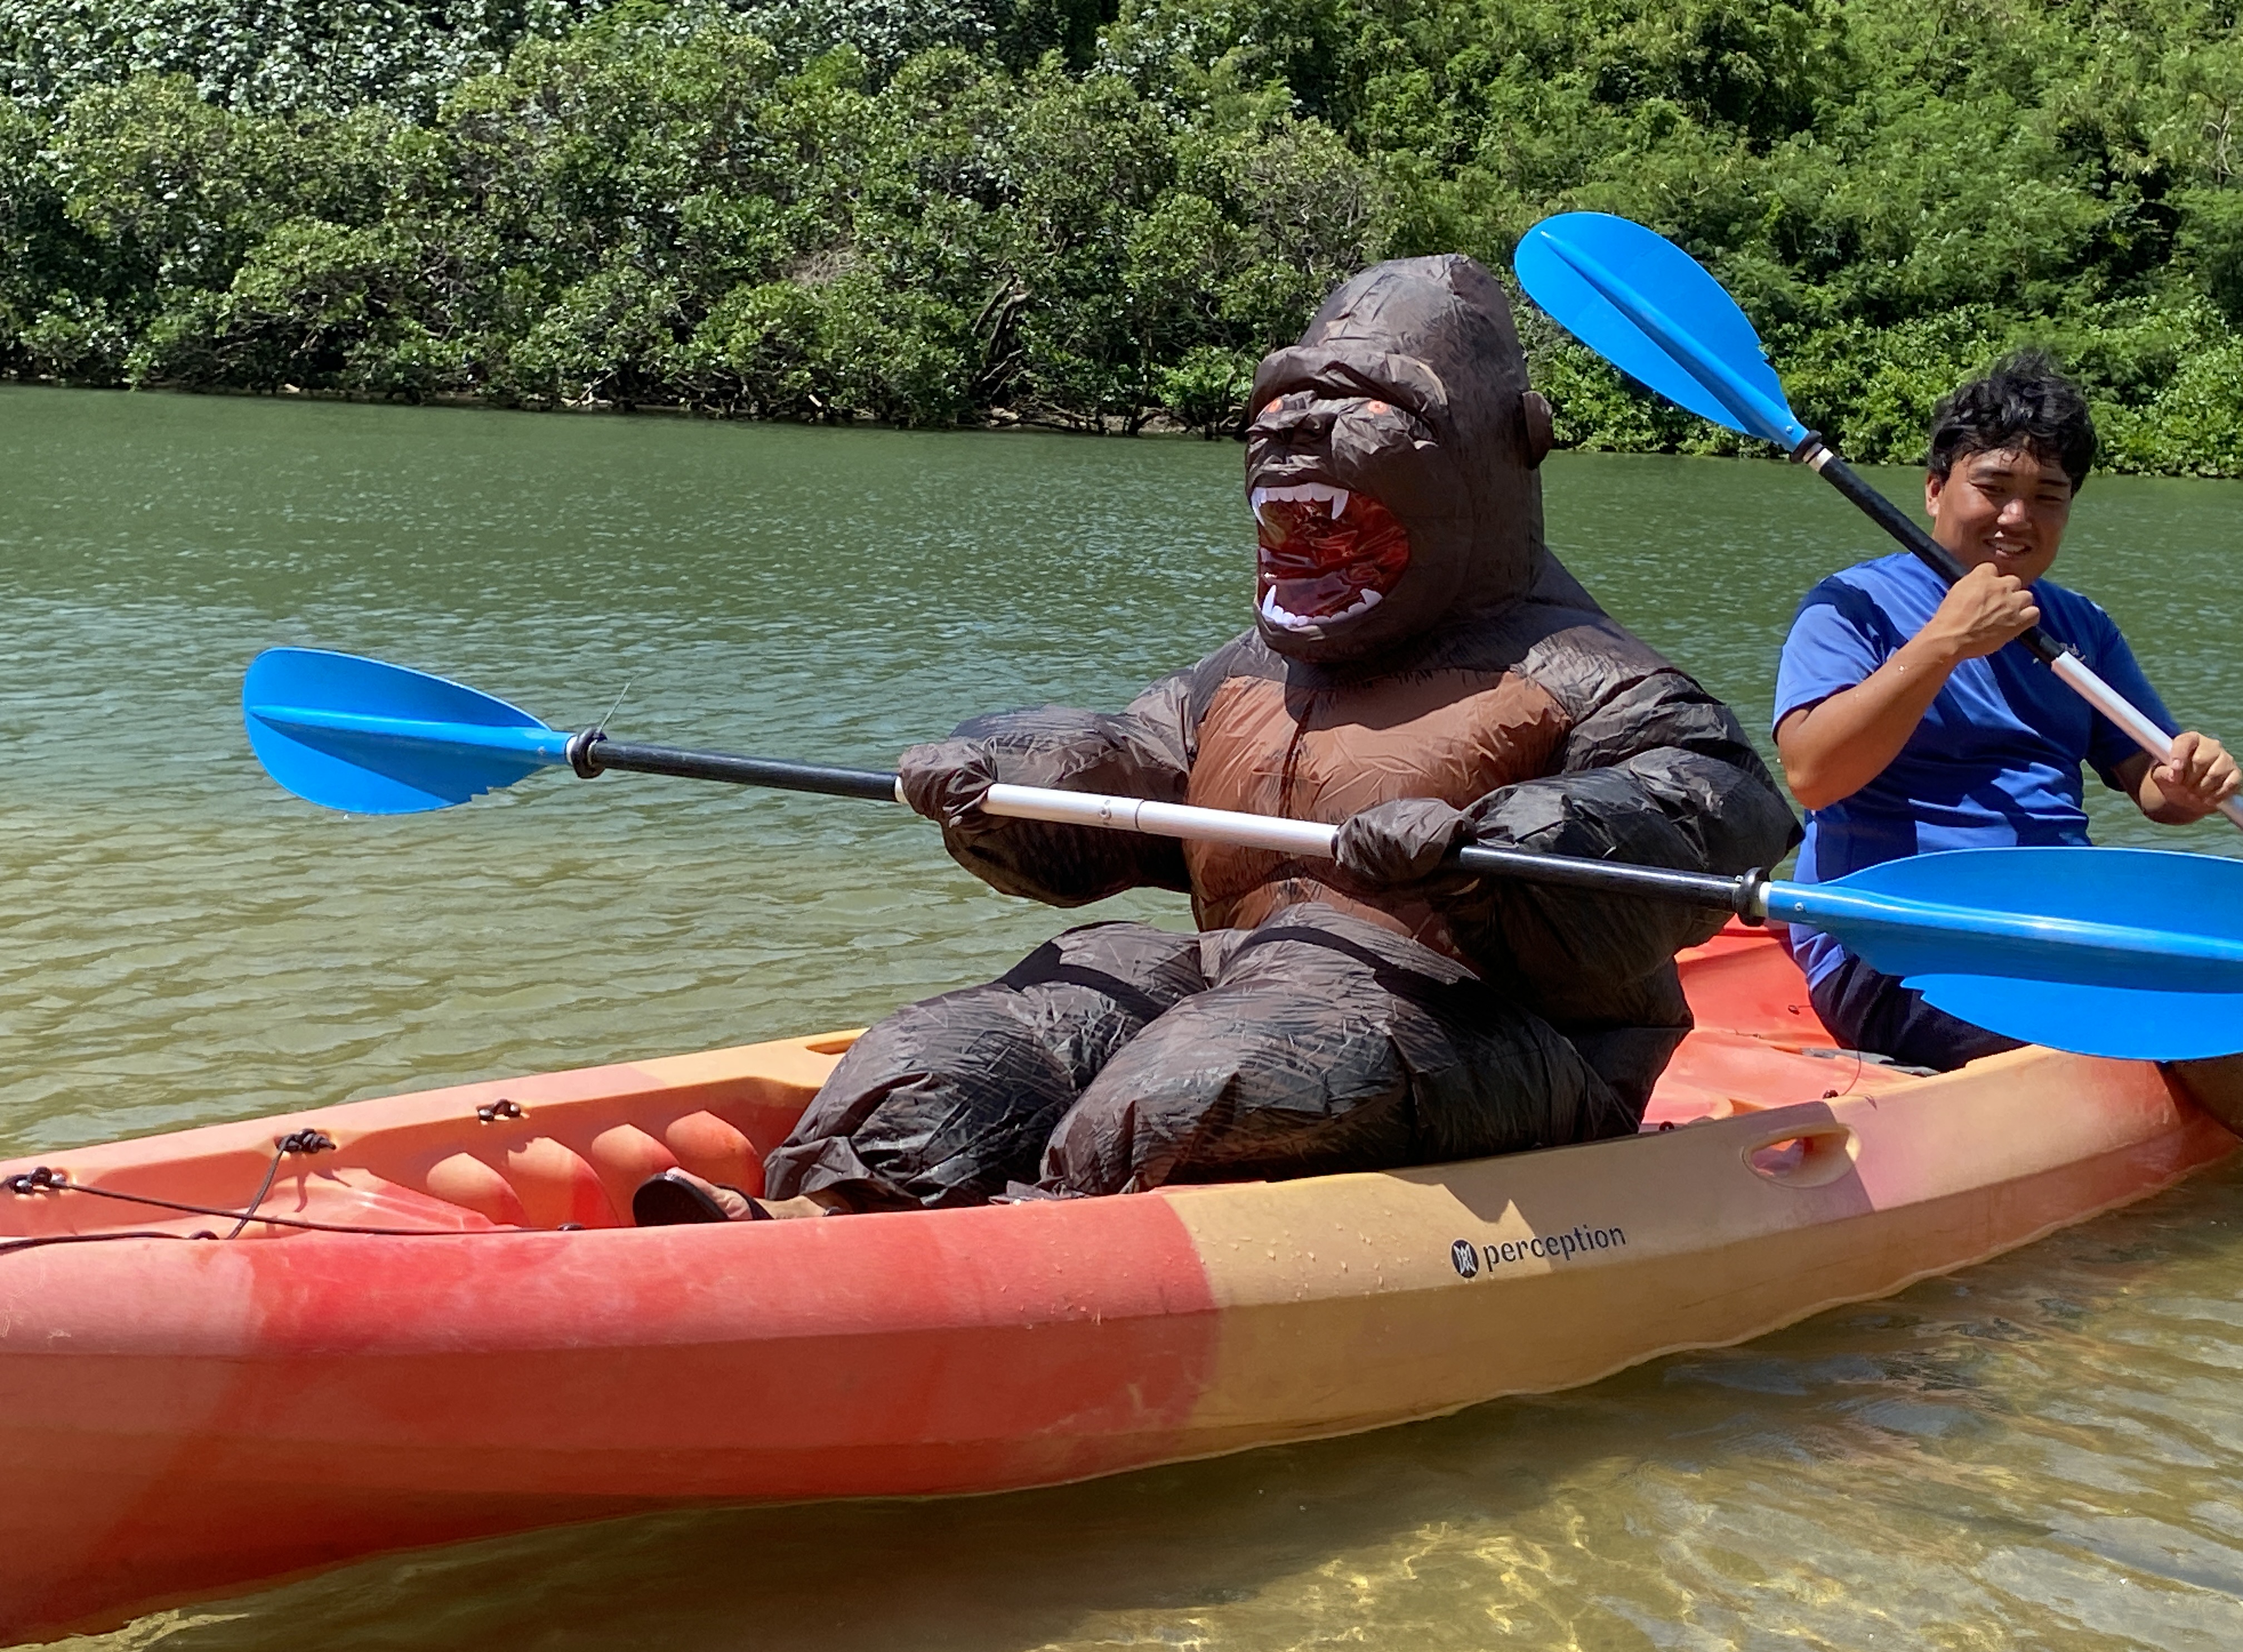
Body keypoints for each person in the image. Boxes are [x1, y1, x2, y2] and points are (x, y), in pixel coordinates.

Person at [635, 253, 1797, 1226]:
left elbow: (1717, 809)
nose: (1292, 433)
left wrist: (1498, 837)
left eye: (1358, 406)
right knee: (952, 1052)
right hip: (1235, 974)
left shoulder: (1589, 676)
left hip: (1505, 1035)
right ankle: (819, 1224)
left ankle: (1034, 1256)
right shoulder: (1242, 678)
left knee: (1206, 1079)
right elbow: (1123, 760)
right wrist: (998, 773)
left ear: (1506, 450)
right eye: (1279, 404)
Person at [1771, 350, 2240, 1072]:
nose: (2018, 517)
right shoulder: (1851, 608)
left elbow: (2151, 783)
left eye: (2048, 496)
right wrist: (1942, 644)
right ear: (1934, 492)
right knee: (2114, 1031)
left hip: (2063, 919)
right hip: (1894, 937)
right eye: (1992, 487)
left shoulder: (2080, 627)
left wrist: (2185, 782)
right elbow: (1812, 775)